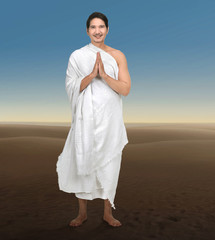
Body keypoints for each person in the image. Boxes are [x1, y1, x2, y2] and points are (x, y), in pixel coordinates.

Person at [56, 12, 131, 227]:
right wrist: (90, 75)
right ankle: (82, 213)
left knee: (109, 164)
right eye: (93, 27)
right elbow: (71, 87)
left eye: (101, 27)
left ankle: (108, 213)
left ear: (107, 29)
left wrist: (105, 76)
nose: (97, 31)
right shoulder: (77, 56)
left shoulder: (118, 55)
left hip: (110, 120)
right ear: (87, 31)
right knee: (83, 160)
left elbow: (125, 89)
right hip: (85, 120)